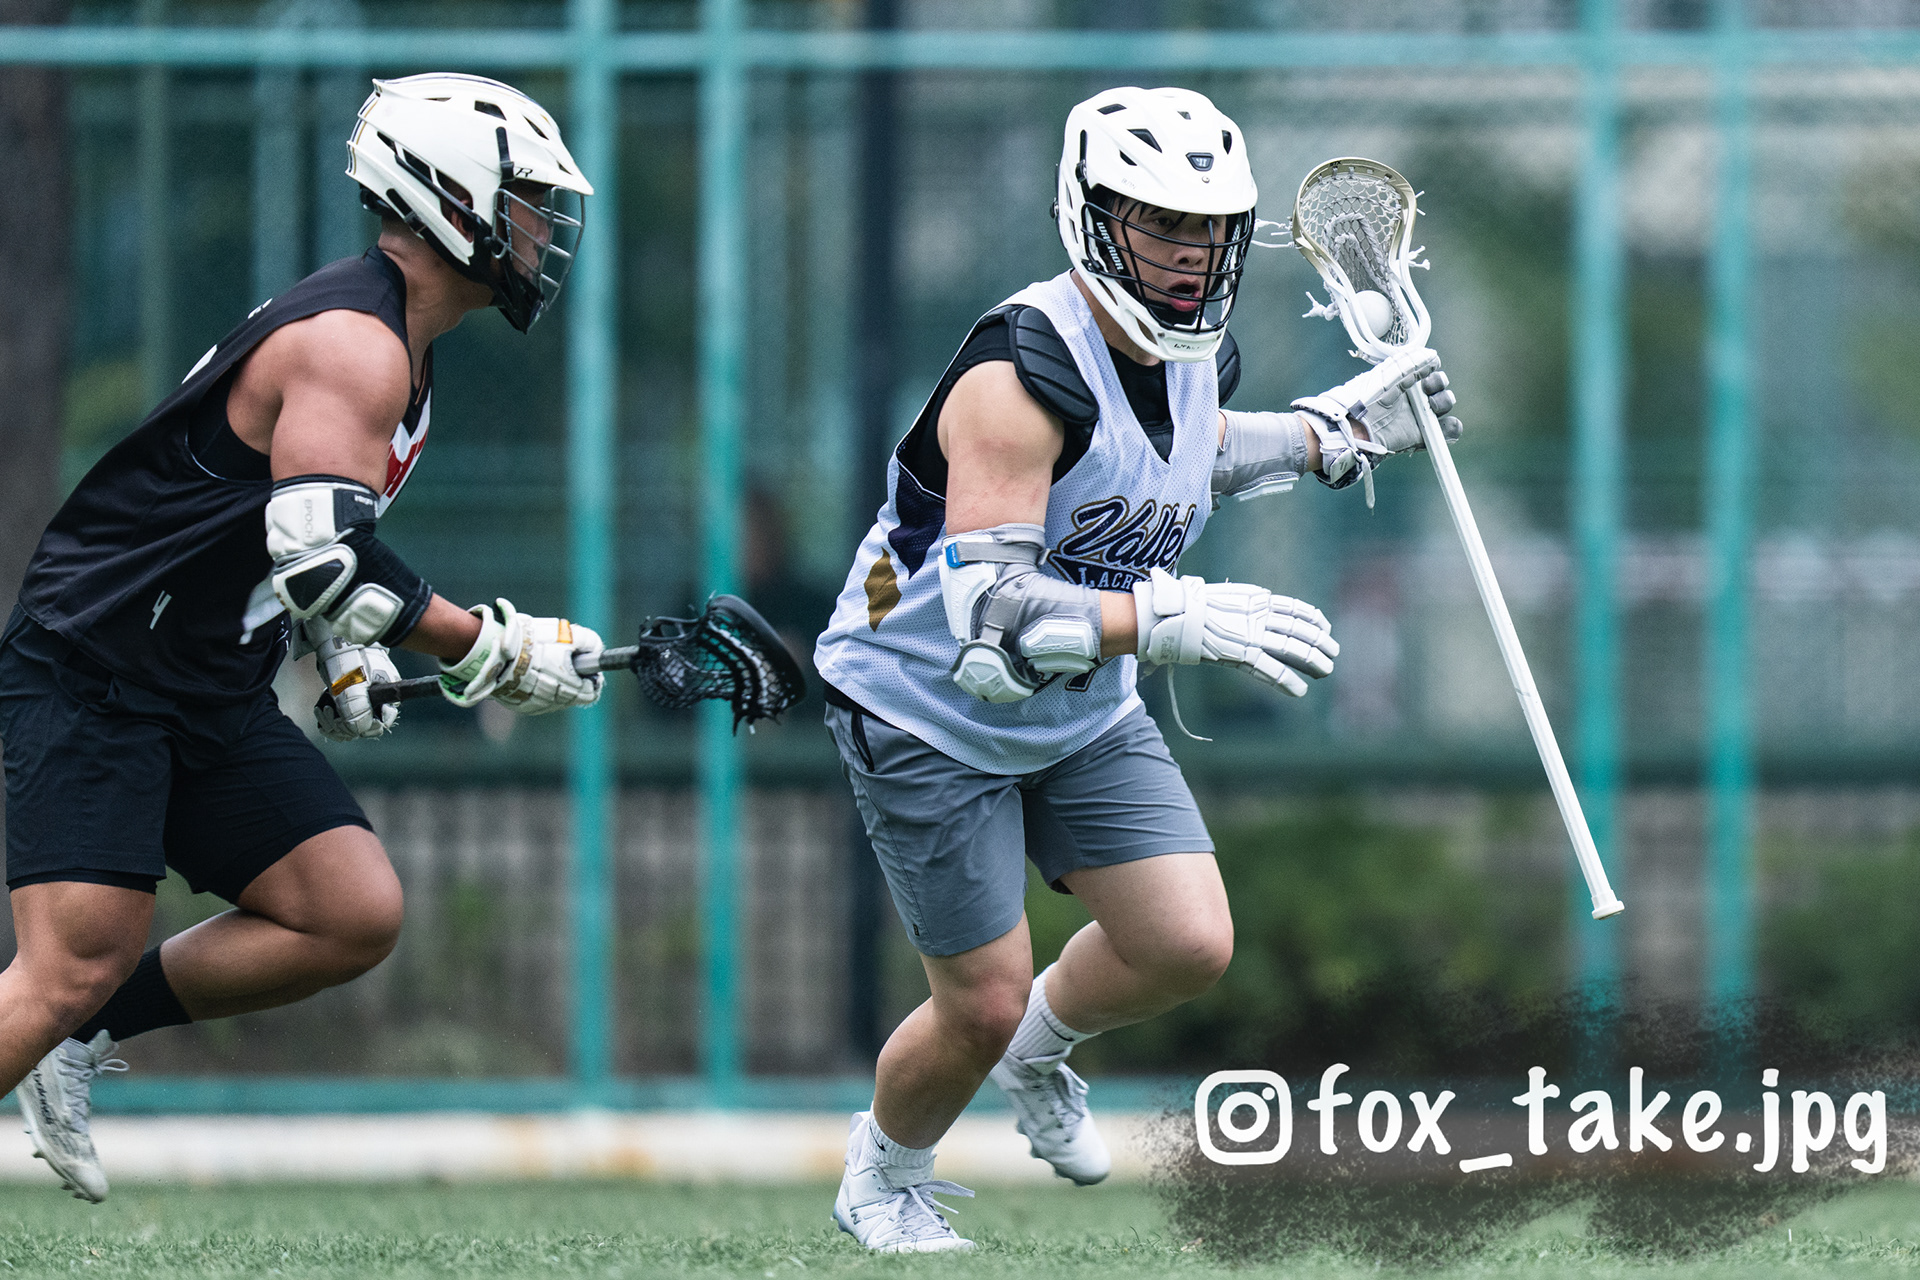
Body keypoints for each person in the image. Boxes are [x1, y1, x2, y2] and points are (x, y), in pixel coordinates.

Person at [812, 85, 1463, 1252]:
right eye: (1162, 224)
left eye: (1210, 229)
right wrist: (1171, 615)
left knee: (1184, 943)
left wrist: (1332, 434)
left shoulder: (1188, 349)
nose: (1191, 253)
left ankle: (1037, 1052)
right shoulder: (1018, 376)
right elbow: (993, 617)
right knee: (980, 998)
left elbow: (1183, 448)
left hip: (1077, 705)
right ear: (1093, 216)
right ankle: (884, 1174)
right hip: (926, 706)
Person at [0, 73, 602, 1202]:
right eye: (525, 204)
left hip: (201, 678)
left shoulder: (403, 343)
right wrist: (491, 649)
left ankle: (76, 1037)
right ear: (449, 201)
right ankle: (63, 1016)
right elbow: (329, 554)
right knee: (70, 962)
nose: (542, 233)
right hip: (101, 667)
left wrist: (341, 649)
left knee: (347, 911)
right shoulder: (356, 345)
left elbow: (285, 540)